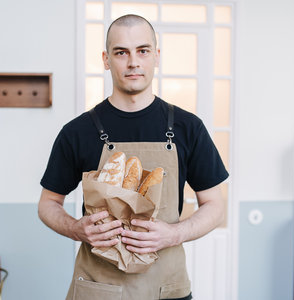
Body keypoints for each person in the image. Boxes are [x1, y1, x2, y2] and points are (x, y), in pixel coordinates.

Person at [38, 14, 228, 300]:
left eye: (142, 50)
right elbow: (48, 204)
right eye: (121, 52)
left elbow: (215, 205)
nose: (133, 62)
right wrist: (77, 230)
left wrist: (174, 234)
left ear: (156, 56)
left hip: (168, 288)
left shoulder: (188, 128)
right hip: (98, 287)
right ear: (106, 59)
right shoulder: (77, 131)